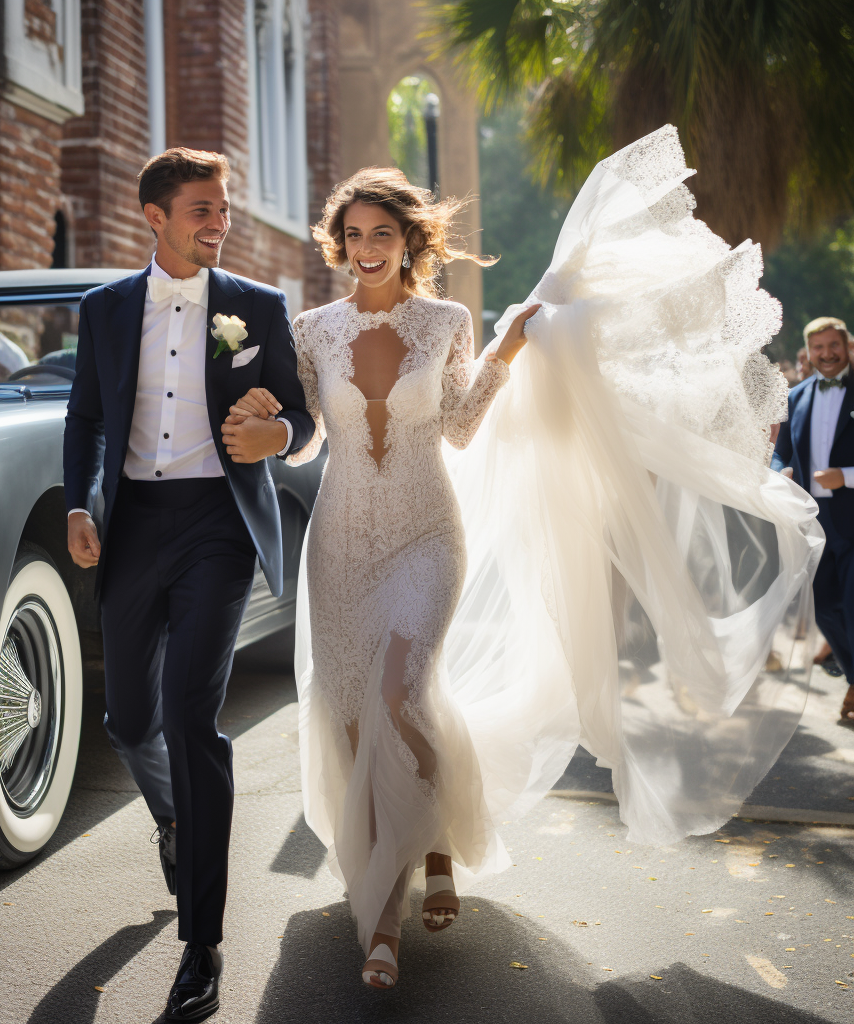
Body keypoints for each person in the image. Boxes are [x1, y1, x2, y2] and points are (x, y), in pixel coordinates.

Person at [228, 128, 823, 989]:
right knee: (356, 713)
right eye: (352, 235)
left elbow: (462, 427)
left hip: (428, 534)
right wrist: (270, 429)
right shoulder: (312, 330)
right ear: (339, 243)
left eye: (381, 234)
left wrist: (505, 352)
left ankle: (383, 918)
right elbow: (310, 435)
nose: (365, 250)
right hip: (341, 541)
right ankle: (434, 848)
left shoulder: (447, 321)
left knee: (401, 692)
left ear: (409, 241)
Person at [63, 147, 314, 1023]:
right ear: (156, 218)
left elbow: (303, 416)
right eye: (202, 210)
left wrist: (276, 436)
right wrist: (78, 504)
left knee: (190, 718)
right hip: (133, 531)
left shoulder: (258, 307)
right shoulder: (102, 309)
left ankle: (200, 942)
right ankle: (175, 820)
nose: (220, 224)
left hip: (218, 529)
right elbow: (87, 416)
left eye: (224, 210)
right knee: (129, 721)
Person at [772, 316, 854, 724]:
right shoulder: (796, 396)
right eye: (818, 347)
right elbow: (782, 451)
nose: (826, 354)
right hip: (813, 523)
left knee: (853, 611)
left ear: (847, 345)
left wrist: (847, 477)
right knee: (825, 611)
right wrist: (779, 472)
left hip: (853, 520)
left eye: (833, 345)